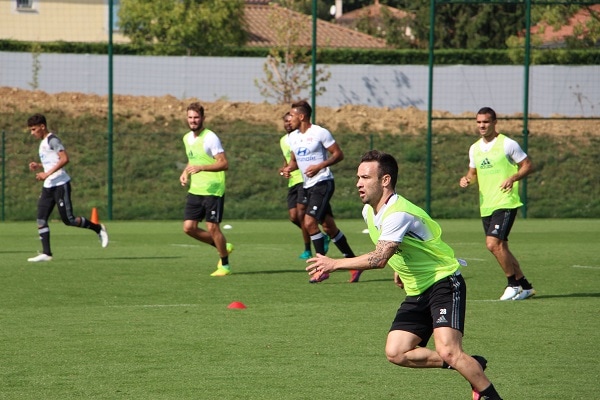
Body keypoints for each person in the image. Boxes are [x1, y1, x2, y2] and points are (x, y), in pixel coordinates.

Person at [306, 150, 503, 400]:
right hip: (417, 288)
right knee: (397, 352)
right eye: (358, 177)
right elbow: (396, 247)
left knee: (449, 350)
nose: (358, 183)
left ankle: (490, 395)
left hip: (443, 281)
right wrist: (400, 270)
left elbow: (378, 258)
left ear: (385, 180)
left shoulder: (399, 212)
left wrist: (334, 263)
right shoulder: (369, 212)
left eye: (365, 177)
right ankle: (470, 364)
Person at [459, 107, 535, 301]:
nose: (481, 125)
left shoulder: (507, 144)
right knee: (502, 248)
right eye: (478, 122)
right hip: (487, 204)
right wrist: (467, 180)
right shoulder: (474, 148)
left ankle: (512, 284)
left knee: (493, 244)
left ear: (494, 123)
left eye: (485, 122)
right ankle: (525, 286)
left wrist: (513, 177)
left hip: (505, 201)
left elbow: (527, 165)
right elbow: (472, 174)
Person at [282, 101, 361, 283]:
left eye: (292, 116)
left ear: (301, 116)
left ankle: (321, 269)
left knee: (309, 222)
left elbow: (338, 154)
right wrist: (288, 169)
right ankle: (353, 264)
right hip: (308, 185)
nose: (289, 120)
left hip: (323, 182)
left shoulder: (319, 132)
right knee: (329, 227)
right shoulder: (291, 137)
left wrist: (320, 166)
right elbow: (294, 161)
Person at [26, 113, 108, 262]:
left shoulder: (53, 139)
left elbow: (65, 159)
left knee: (69, 220)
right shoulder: (43, 142)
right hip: (48, 186)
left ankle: (98, 228)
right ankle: (47, 253)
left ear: (42, 127)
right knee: (41, 218)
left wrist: (46, 173)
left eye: (33, 129)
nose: (32, 133)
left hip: (60, 184)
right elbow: (52, 161)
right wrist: (38, 166)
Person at [179, 102, 233, 277]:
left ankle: (225, 265)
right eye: (190, 117)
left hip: (213, 190)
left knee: (212, 228)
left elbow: (224, 163)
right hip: (196, 189)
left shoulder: (211, 138)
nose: (193, 121)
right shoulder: (187, 138)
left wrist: (202, 168)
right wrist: (185, 172)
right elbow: (192, 159)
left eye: (196, 117)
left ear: (202, 118)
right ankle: (222, 246)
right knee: (188, 228)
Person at [278, 112, 318, 260]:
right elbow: (287, 161)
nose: (288, 123)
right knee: (293, 216)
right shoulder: (283, 140)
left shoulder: (302, 138)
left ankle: (308, 248)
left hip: (303, 179)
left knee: (301, 214)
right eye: (285, 121)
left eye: (290, 120)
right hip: (292, 182)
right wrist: (284, 170)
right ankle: (318, 235)